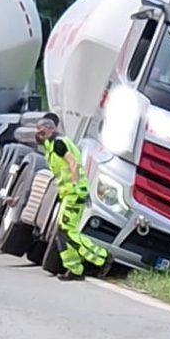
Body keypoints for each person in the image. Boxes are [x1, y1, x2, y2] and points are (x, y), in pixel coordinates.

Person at [35, 112, 107, 279]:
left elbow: (73, 164)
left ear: (49, 129)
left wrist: (75, 186)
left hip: (74, 193)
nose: (37, 133)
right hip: (68, 194)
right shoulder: (52, 144)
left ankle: (101, 258)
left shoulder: (59, 144)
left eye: (40, 129)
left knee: (68, 232)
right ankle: (74, 268)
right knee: (62, 233)